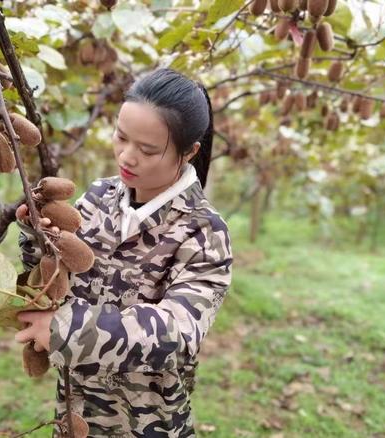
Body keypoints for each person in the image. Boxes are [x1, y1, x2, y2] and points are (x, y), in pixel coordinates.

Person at [14, 67, 233, 437]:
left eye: (147, 149)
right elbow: (56, 276)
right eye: (120, 137)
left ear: (190, 152)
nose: (126, 157)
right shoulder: (97, 198)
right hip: (77, 409)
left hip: (148, 420)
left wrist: (66, 328)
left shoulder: (205, 232)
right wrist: (37, 237)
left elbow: (179, 332)